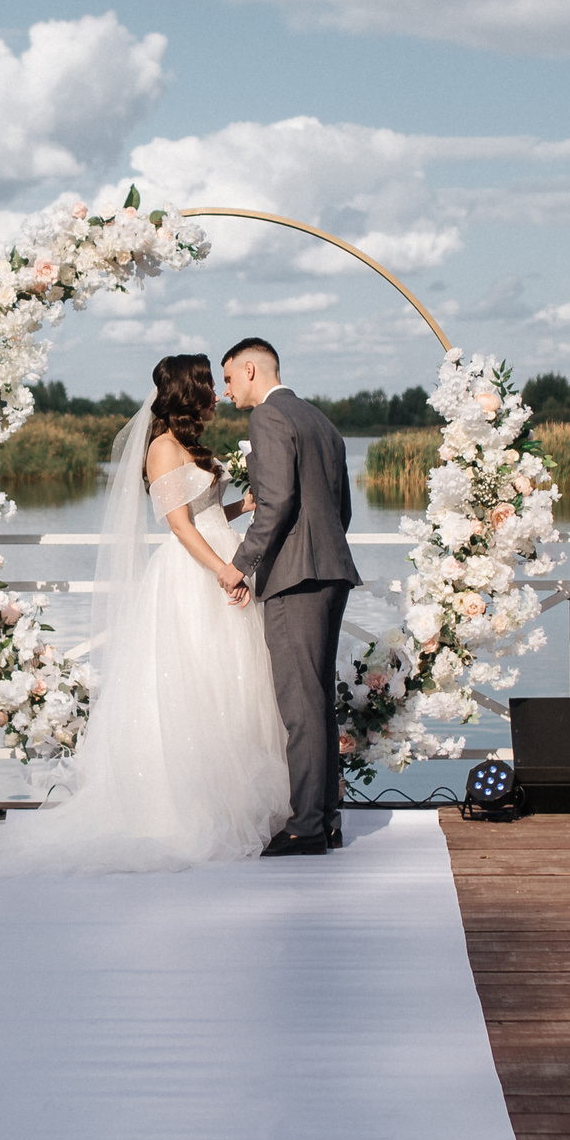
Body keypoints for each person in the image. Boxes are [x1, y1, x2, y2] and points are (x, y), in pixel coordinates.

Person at [0, 353, 289, 874]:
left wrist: (240, 509)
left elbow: (203, 514)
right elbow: (180, 527)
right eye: (210, 386)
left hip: (221, 556)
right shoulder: (162, 448)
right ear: (190, 393)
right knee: (193, 684)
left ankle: (235, 800)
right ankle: (187, 808)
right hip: (195, 572)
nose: (217, 395)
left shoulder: (192, 446)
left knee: (231, 682)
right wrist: (223, 572)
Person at [221, 336, 362, 856]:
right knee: (318, 700)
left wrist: (239, 567)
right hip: (331, 572)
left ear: (253, 370)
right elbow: (341, 510)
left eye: (230, 378)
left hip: (295, 578)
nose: (226, 390)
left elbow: (275, 505)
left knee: (300, 708)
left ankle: (305, 826)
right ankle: (326, 818)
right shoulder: (320, 421)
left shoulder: (269, 419)